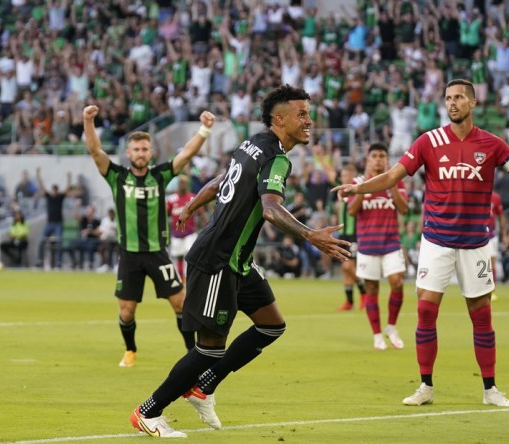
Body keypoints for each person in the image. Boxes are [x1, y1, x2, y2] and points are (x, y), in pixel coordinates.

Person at [334, 79, 509, 408]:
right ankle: (425, 386)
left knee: (481, 316)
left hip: (476, 243)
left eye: (458, 97)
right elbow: (391, 177)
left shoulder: (493, 144)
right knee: (426, 312)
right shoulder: (429, 141)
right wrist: (356, 189)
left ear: (472, 102)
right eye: (448, 98)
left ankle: (490, 390)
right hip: (436, 241)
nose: (452, 103)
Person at [130, 85, 351, 438]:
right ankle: (148, 412)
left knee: (271, 325)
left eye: (309, 113)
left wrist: (193, 204)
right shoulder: (276, 156)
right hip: (219, 261)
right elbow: (271, 208)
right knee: (208, 350)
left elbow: (221, 180)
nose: (309, 121)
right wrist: (311, 235)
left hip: (239, 261)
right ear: (280, 119)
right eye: (302, 114)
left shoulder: (254, 143)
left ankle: (203, 389)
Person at [83, 105, 216, 368]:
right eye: (136, 150)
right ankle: (130, 350)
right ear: (128, 153)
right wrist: (88, 121)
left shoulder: (160, 175)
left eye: (145, 149)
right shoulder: (117, 176)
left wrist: (205, 129)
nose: (141, 154)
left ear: (151, 152)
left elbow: (187, 153)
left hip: (157, 253)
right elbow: (95, 151)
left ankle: (192, 353)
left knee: (180, 303)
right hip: (129, 255)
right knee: (126, 310)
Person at [346, 143, 408, 350]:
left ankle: (391, 326)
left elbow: (404, 209)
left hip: (391, 244)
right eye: (375, 155)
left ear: (387, 159)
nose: (379, 159)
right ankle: (377, 334)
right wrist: (365, 187)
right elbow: (352, 211)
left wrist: (390, 184)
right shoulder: (358, 182)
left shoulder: (396, 182)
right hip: (368, 245)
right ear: (368, 159)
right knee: (372, 289)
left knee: (397, 282)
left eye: (382, 155)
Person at [336, 163, 367, 311]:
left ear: (352, 176)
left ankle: (364, 293)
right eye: (342, 175)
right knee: (346, 269)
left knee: (348, 266)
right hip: (343, 234)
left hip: (354, 234)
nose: (342, 178)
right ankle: (349, 301)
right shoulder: (343, 192)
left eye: (345, 175)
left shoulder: (356, 190)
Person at [35, 168, 71, 269]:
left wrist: (69, 178)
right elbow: (42, 187)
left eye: (55, 190)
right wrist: (38, 175)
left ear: (57, 190)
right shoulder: (48, 197)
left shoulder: (60, 197)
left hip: (58, 223)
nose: (54, 192)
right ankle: (40, 259)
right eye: (53, 190)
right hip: (49, 223)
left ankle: (59, 261)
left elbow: (67, 189)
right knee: (42, 240)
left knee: (59, 241)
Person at [166, 176, 198, 282]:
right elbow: (166, 213)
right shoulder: (172, 199)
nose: (182, 185)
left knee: (190, 256)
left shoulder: (192, 198)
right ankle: (181, 279)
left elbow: (201, 212)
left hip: (190, 233)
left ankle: (190, 277)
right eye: (180, 183)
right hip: (177, 233)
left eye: (184, 183)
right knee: (179, 256)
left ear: (187, 185)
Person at [488, 191, 506, 299]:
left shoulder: (495, 197)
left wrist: (504, 234)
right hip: (478, 234)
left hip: (491, 235)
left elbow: (501, 216)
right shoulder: (476, 194)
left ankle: (492, 290)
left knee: (491, 262)